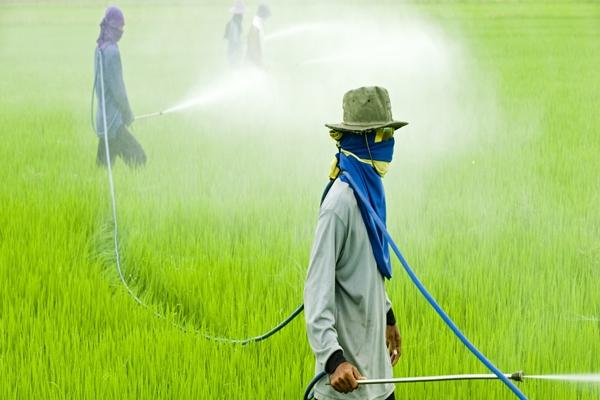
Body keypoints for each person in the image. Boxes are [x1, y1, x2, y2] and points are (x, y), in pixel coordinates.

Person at [304, 86, 408, 400]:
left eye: (390, 133)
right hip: (346, 388)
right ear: (362, 139)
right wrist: (334, 360)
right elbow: (316, 291)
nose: (389, 143)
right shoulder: (340, 204)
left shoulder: (370, 193)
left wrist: (387, 315)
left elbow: (368, 266)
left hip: (378, 381)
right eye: (381, 135)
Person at [94, 6, 146, 168]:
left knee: (102, 168)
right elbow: (118, 90)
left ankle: (93, 190)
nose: (122, 31)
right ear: (112, 26)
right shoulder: (112, 52)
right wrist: (127, 113)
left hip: (103, 120)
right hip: (114, 124)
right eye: (120, 27)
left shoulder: (99, 48)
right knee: (139, 159)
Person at [224, 1, 245, 67]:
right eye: (242, 13)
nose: (243, 15)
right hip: (234, 56)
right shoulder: (235, 25)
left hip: (233, 55)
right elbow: (235, 42)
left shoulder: (234, 23)